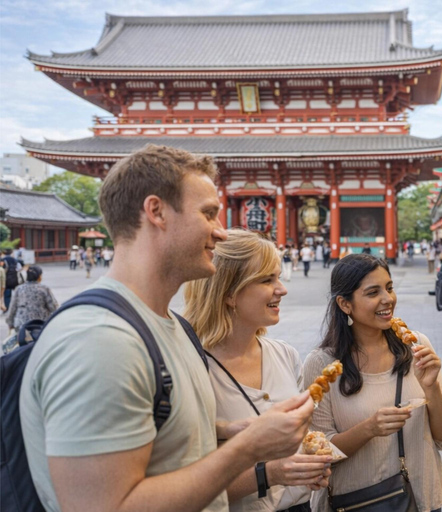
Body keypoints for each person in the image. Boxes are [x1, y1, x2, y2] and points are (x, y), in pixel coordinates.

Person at [20, 144, 314, 512]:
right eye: (208, 214)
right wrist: (249, 450)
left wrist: (228, 430)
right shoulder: (98, 340)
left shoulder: (172, 327)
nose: (221, 232)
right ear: (156, 212)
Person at [185, 230, 331, 512]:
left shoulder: (284, 354)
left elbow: (303, 438)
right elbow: (185, 487)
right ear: (229, 293)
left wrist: (310, 462)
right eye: (267, 280)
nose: (282, 288)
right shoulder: (192, 367)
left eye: (278, 276)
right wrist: (271, 473)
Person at [304, 254, 442, 512]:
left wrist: (431, 388)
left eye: (389, 288)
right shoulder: (322, 364)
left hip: (419, 500)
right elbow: (317, 451)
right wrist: (369, 429)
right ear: (345, 304)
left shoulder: (415, 347)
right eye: (373, 292)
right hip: (356, 502)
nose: (388, 299)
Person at [6, 265, 58, 332]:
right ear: (39, 277)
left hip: (21, 325)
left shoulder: (19, 289)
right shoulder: (44, 289)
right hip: (40, 324)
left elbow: (12, 307)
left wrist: (10, 323)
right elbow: (53, 307)